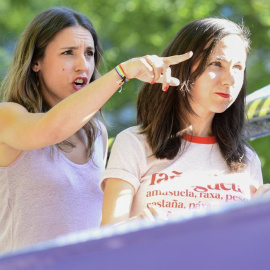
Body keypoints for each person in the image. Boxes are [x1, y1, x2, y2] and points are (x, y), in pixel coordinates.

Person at [0, 7, 192, 253]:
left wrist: (135, 225)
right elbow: (50, 129)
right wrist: (123, 73)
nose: (83, 65)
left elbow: (91, 226)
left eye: (89, 53)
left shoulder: (96, 133)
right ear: (36, 62)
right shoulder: (7, 116)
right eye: (68, 53)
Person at [100, 17, 267, 226]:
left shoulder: (247, 159)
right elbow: (106, 237)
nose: (230, 80)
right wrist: (136, 228)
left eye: (238, 67)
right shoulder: (134, 144)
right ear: (183, 66)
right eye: (216, 64)